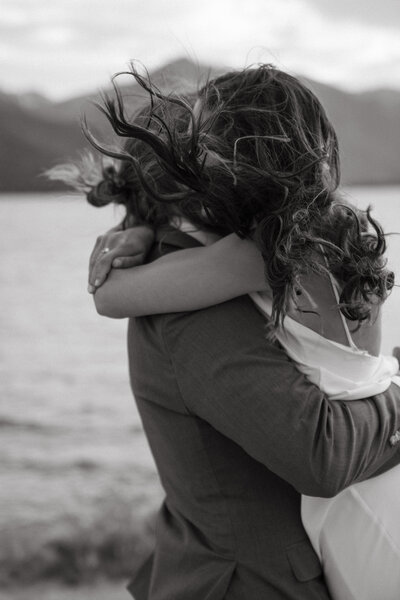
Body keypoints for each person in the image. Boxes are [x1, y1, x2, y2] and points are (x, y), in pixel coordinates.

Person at [56, 64, 400, 599]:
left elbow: (111, 296)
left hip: (345, 518)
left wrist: (130, 243)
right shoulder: (348, 234)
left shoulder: (252, 257)